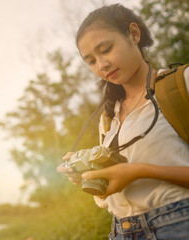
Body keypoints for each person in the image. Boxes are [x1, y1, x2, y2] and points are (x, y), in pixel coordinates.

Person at [57, 4, 189, 240]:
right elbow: (112, 198)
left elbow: (135, 172)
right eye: (91, 61)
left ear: (134, 34)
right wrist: (88, 174)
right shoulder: (108, 118)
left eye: (106, 49)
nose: (101, 65)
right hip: (121, 231)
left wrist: (139, 171)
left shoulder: (182, 85)